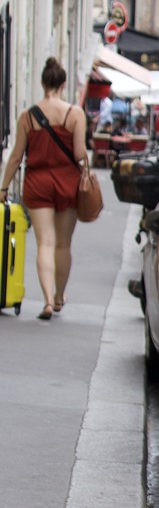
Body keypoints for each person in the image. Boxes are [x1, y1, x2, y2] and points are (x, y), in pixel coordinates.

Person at [0, 57, 89, 320]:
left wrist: (3, 186)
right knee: (63, 245)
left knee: (45, 244)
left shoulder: (27, 117)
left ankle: (47, 300)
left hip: (37, 183)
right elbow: (79, 153)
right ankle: (60, 296)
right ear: (63, 84)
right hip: (67, 182)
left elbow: (16, 157)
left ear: (42, 83)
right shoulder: (75, 114)